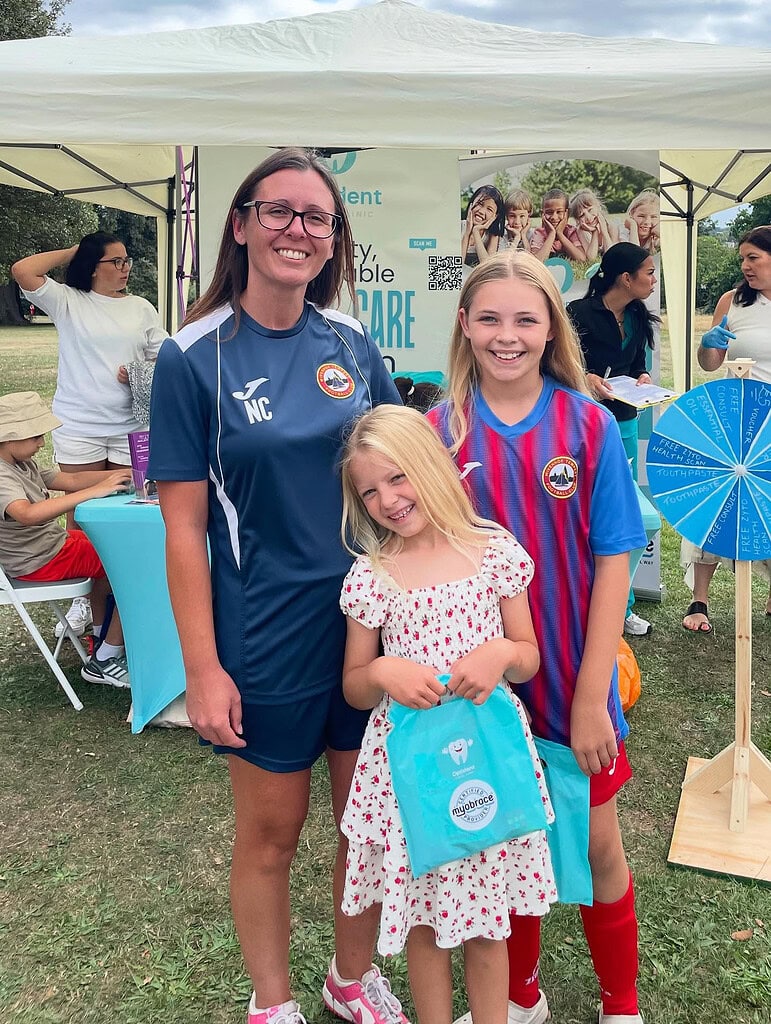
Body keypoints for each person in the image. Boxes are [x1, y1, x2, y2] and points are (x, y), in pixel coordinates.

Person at [146, 148, 403, 1024]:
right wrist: (202, 667)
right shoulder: (191, 357)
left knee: (364, 828)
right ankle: (273, 1002)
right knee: (269, 836)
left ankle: (350, 977)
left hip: (367, 628)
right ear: (241, 224)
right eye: (280, 211)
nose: (299, 230)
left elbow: (397, 478)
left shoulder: (353, 343)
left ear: (335, 240)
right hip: (262, 634)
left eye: (317, 218)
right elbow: (181, 526)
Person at [428, 251, 648, 1024]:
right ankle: (519, 997)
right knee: (504, 844)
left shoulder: (585, 423)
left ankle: (620, 1005)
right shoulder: (437, 430)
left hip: (569, 679)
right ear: (463, 325)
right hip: (482, 687)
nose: (507, 335)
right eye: (488, 317)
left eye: (526, 318)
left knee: (595, 847)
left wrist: (593, 694)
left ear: (551, 327)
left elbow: (613, 557)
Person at [338, 404, 557, 1024]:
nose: (388, 499)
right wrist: (382, 670)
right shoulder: (372, 575)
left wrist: (500, 654)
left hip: (485, 760)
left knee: (488, 924)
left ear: (433, 466)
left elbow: (528, 657)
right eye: (370, 490)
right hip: (410, 772)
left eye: (398, 477)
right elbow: (354, 685)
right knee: (424, 923)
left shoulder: (493, 553)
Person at [11, 232, 167, 639]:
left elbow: (166, 357)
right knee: (80, 516)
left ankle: (116, 606)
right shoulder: (68, 300)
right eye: (114, 261)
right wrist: (74, 251)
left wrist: (138, 372)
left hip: (129, 427)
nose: (124, 268)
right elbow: (22, 270)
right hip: (79, 425)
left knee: (122, 514)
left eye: (126, 260)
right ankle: (85, 600)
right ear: (92, 266)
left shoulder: (141, 307)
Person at [0, 391, 132, 687]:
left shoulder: (21, 464)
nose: (41, 444)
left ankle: (101, 637)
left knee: (114, 551)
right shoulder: (2, 476)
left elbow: (69, 480)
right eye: (35, 437)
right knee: (133, 566)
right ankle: (106, 659)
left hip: (53, 546)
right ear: (10, 438)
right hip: (40, 560)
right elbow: (27, 514)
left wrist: (126, 474)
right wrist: (95, 492)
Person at [682, 224, 771, 633]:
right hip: (737, 421)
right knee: (720, 505)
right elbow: (709, 363)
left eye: (753, 257)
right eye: (742, 259)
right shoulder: (732, 301)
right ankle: (700, 600)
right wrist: (709, 342)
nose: (745, 265)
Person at [567, 242, 659, 637]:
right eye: (649, 273)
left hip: (623, 420)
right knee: (587, 516)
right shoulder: (578, 313)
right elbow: (559, 364)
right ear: (626, 278)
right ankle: (583, 602)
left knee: (625, 517)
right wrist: (584, 378)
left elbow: (637, 364)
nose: (654, 280)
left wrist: (642, 379)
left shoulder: (639, 316)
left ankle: (621, 608)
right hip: (583, 425)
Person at [529, 188, 586, 263]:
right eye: (549, 212)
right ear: (542, 214)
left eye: (559, 212)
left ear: (567, 214)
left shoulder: (570, 231)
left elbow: (582, 259)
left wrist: (560, 234)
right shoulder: (539, 233)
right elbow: (536, 262)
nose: (554, 217)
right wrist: (551, 234)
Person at [462, 185, 506, 267]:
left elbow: (487, 267)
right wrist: (467, 233)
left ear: (495, 216)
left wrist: (476, 232)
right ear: (472, 203)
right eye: (479, 204)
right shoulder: (459, 227)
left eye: (489, 209)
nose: (482, 211)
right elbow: (454, 267)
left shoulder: (492, 235)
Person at [569, 189, 619, 262]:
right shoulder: (581, 231)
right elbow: (591, 258)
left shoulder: (611, 226)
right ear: (578, 220)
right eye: (582, 215)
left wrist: (604, 231)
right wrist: (594, 232)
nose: (588, 217)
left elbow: (612, 254)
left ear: (598, 207)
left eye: (590, 210)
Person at [621, 190, 659, 254]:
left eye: (653, 217)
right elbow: (635, 254)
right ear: (631, 214)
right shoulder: (623, 233)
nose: (647, 221)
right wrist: (633, 226)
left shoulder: (655, 237)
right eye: (641, 216)